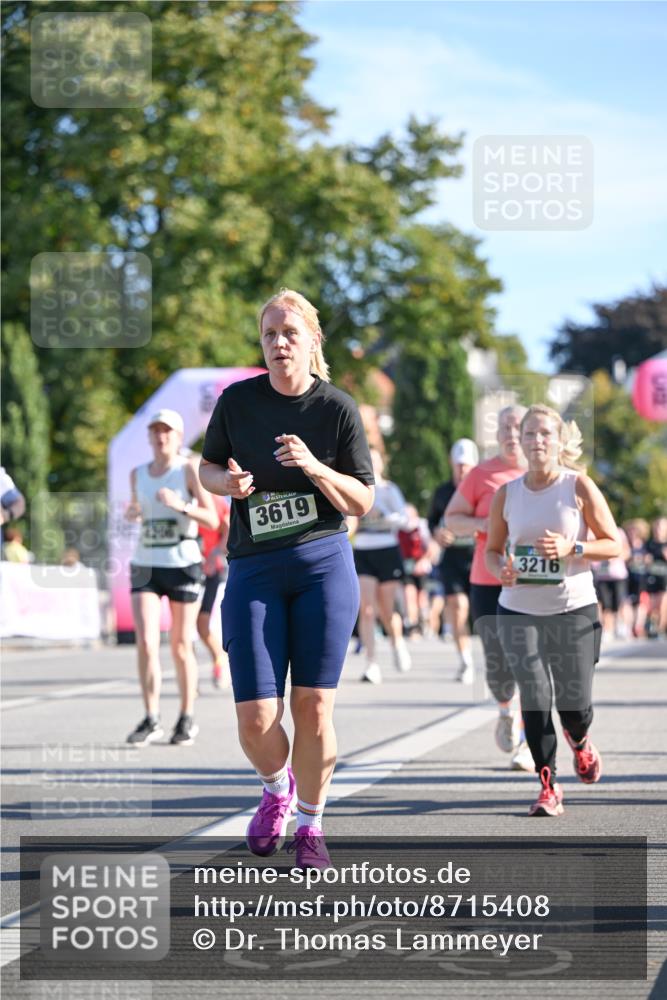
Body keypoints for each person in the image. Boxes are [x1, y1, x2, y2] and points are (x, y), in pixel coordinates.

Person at [199, 288, 374, 869]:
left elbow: (362, 500)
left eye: (290, 333)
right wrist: (227, 485)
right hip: (254, 568)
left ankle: (311, 824)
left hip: (322, 564)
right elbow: (206, 468)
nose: (278, 343)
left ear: (311, 340)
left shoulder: (337, 409)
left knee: (313, 707)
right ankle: (277, 788)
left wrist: (315, 467)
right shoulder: (237, 402)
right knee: (255, 717)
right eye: (269, 334)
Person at [486, 404, 620, 816]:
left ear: (560, 441)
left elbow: (613, 544)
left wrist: (571, 548)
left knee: (574, 706)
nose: (537, 441)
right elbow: (492, 550)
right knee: (535, 694)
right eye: (530, 433)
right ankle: (548, 785)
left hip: (573, 608)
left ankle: (579, 740)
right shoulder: (507, 494)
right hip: (518, 610)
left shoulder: (578, 486)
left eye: (545, 433)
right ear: (520, 441)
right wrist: (500, 569)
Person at [444, 407, 532, 771]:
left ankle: (528, 743)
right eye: (505, 427)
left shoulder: (544, 473)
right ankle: (505, 709)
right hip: (488, 579)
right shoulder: (481, 474)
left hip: (532, 582)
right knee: (499, 666)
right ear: (496, 435)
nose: (512, 434)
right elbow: (452, 519)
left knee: (529, 661)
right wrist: (486, 524)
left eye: (519, 427)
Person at [126, 409, 219, 747]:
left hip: (182, 561)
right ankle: (151, 717)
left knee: (180, 645)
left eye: (167, 431)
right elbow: (137, 510)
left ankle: (186, 715)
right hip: (146, 563)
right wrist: (134, 512)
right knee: (147, 641)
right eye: (155, 430)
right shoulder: (137, 474)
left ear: (178, 437)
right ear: (149, 436)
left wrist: (181, 506)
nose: (160, 436)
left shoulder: (187, 469)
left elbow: (212, 519)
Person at [353, 448, 412, 683]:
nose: (370, 463)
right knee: (367, 609)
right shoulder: (356, 487)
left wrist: (384, 514)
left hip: (387, 548)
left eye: (375, 460)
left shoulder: (389, 489)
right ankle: (371, 663)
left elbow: (405, 520)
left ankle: (397, 642)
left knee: (387, 611)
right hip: (363, 549)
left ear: (381, 464)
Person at [428, 438, 478, 683]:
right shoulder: (442, 492)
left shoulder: (482, 490)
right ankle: (465, 660)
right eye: (458, 465)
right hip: (452, 558)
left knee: (483, 612)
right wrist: (437, 533)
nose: (462, 469)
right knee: (458, 608)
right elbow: (431, 521)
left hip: (479, 557)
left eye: (466, 465)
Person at [197, 491, 232, 688]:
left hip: (211, 571)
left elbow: (228, 529)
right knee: (185, 629)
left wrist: (214, 553)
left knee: (202, 624)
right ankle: (190, 680)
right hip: (186, 568)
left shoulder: (215, 500)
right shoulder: (182, 496)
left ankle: (219, 659)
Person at [398, 504, 433, 637]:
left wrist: (422, 561)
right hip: (406, 565)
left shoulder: (422, 526)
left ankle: (425, 622)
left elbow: (430, 547)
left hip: (421, 564)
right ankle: (412, 624)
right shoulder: (399, 527)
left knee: (421, 597)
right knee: (409, 595)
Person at [592, 527, 632, 641]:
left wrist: (614, 557)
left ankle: (623, 626)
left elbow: (627, 552)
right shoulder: (593, 532)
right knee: (606, 605)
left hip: (618, 575)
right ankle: (608, 629)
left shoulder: (619, 532)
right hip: (602, 576)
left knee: (620, 602)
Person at [624, 518, 650, 637]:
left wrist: (645, 559)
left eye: (634, 530)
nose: (632, 533)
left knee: (641, 603)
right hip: (628, 578)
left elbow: (650, 559)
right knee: (628, 602)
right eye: (630, 531)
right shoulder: (626, 545)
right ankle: (629, 627)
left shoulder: (646, 545)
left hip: (642, 579)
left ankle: (638, 626)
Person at [645, 516, 667, 638]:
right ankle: (653, 627)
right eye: (657, 526)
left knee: (663, 603)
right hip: (652, 577)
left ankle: (661, 629)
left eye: (661, 527)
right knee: (653, 605)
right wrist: (645, 560)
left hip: (664, 578)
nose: (658, 529)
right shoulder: (649, 544)